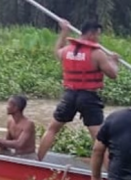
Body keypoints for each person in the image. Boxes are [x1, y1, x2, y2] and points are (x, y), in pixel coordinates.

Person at [37, 19, 119, 161]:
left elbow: (57, 51)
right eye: (98, 35)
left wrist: (64, 32)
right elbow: (113, 75)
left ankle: (37, 161)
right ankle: (111, 175)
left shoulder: (67, 51)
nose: (99, 38)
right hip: (89, 97)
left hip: (69, 95)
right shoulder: (97, 53)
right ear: (92, 34)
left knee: (52, 129)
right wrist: (114, 61)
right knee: (100, 139)